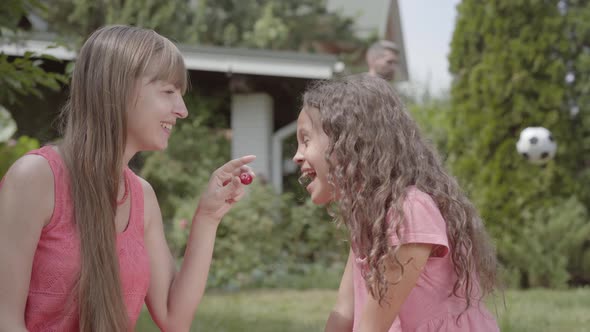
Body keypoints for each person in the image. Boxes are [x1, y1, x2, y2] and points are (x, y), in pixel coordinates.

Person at [0, 25, 255, 331]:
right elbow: (5, 318)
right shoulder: (36, 179)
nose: (183, 110)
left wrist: (208, 218)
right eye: (169, 92)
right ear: (118, 89)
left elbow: (175, 319)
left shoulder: (141, 196)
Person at [293, 74, 500, 331]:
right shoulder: (369, 218)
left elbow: (372, 327)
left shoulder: (410, 211)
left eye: (306, 140)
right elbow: (344, 314)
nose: (296, 156)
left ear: (350, 142)